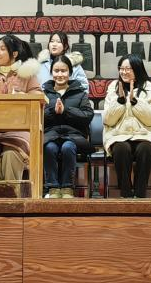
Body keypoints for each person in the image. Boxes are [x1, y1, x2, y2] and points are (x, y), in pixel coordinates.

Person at [0, 34, 41, 181]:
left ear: (14, 54)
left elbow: (38, 98)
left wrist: (23, 96)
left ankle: (12, 193)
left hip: (18, 129)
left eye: (3, 49)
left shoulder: (27, 74)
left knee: (11, 155)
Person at [103, 54, 151, 198]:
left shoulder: (148, 88)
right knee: (121, 149)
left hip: (145, 134)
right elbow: (108, 120)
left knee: (146, 149)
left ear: (137, 69)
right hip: (118, 134)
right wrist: (120, 102)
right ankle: (126, 193)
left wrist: (136, 102)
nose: (123, 72)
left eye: (128, 69)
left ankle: (140, 193)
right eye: (121, 68)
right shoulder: (113, 87)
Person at [42, 55, 93, 198]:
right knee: (49, 148)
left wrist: (66, 111)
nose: (60, 74)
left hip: (73, 136)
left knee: (67, 147)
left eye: (63, 71)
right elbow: (38, 116)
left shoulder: (80, 93)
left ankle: (67, 188)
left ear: (69, 72)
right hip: (51, 135)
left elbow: (87, 115)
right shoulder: (43, 94)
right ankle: (52, 188)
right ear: (51, 72)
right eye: (56, 71)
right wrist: (53, 111)